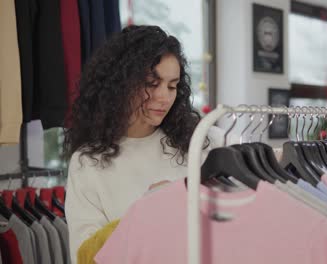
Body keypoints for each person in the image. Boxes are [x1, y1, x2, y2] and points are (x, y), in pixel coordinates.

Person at [64, 25, 223, 263]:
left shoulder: (203, 142)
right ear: (121, 84)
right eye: (151, 83)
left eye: (172, 86)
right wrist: (145, 213)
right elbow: (85, 257)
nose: (164, 97)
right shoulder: (88, 163)